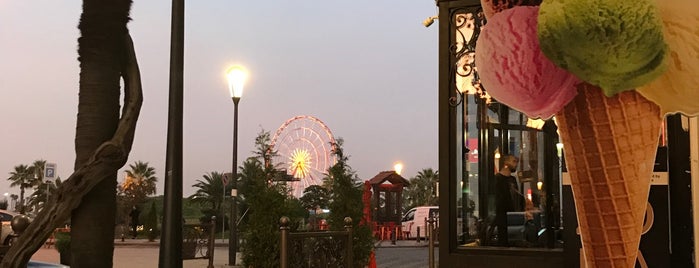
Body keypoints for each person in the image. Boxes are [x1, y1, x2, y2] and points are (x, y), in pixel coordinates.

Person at [494, 154, 524, 246]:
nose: (516, 164)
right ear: (506, 163)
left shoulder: (513, 179)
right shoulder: (497, 178)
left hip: (513, 213)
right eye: (514, 161)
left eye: (517, 162)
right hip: (502, 214)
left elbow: (517, 196)